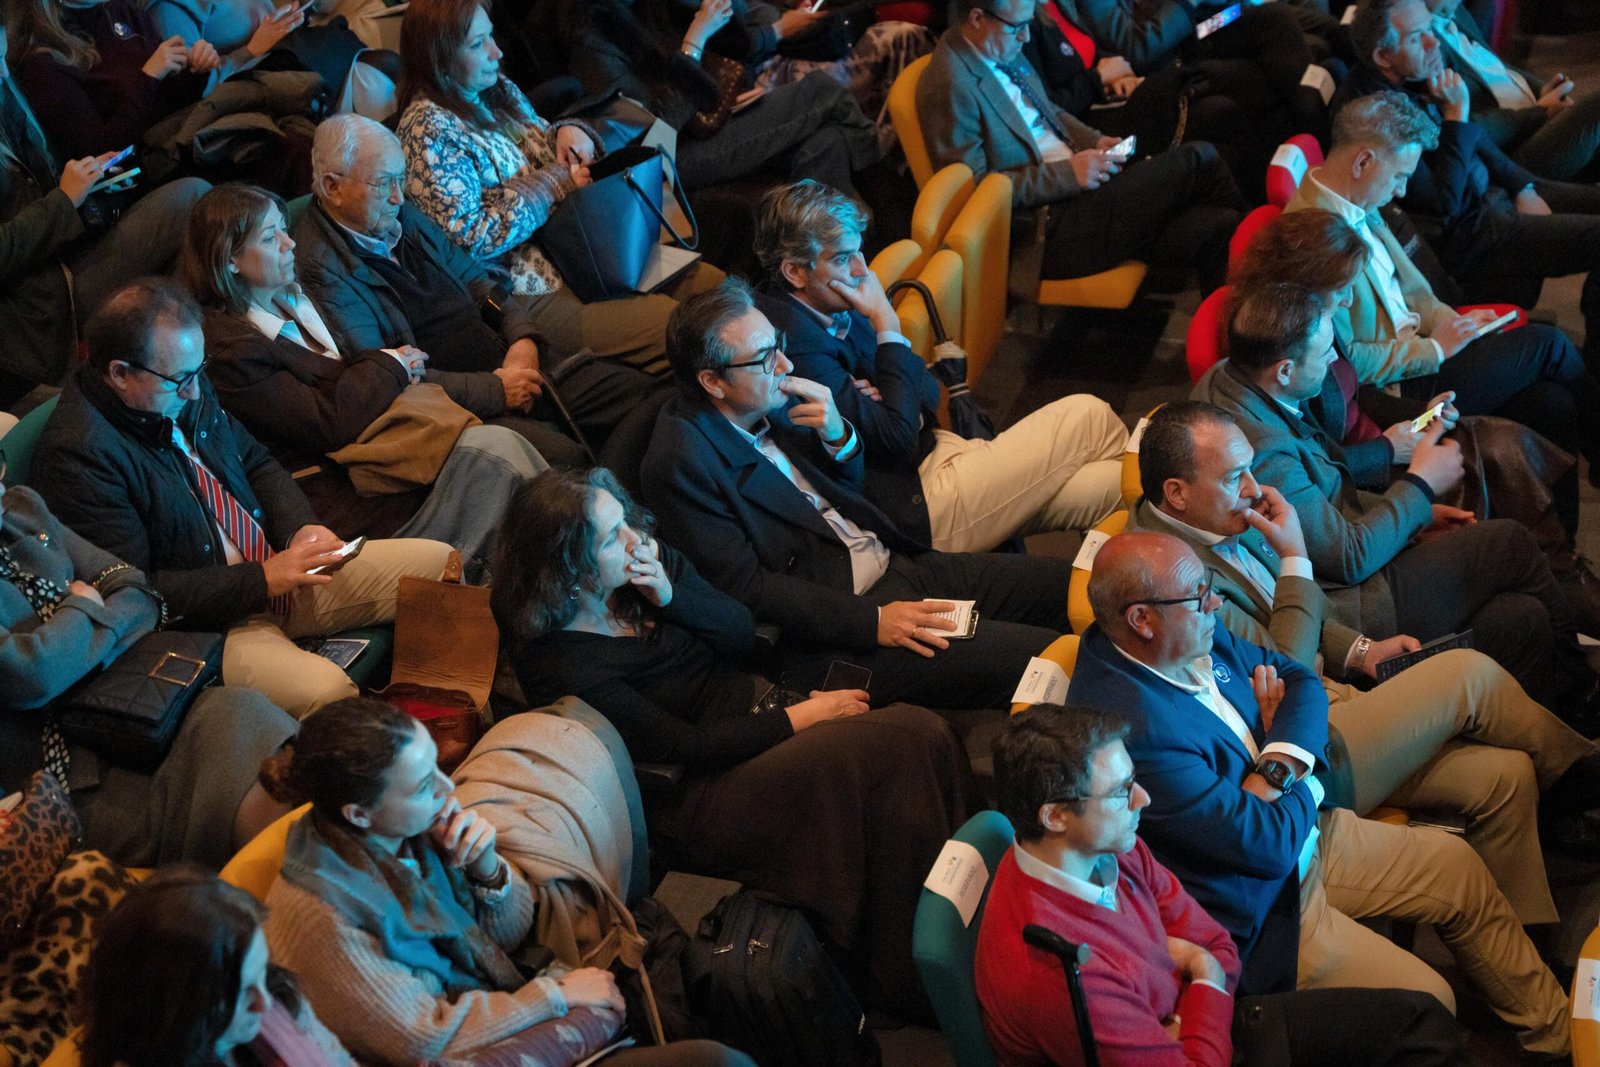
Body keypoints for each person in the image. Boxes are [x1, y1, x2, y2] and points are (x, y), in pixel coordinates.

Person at [1067, 531, 1570, 1057]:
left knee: (1459, 868)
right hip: (1270, 909)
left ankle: (1560, 1036)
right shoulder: (1135, 732)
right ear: (1140, 619)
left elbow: (1298, 679)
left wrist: (1276, 764)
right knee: (1431, 1003)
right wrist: (1300, 770)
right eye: (1200, 596)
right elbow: (1265, 847)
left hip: (1309, 832)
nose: (1214, 601)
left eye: (1209, 586)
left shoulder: (1185, 629)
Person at [493, 467, 970, 1021]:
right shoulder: (560, 660)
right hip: (700, 787)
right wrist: (805, 715)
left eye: (624, 520)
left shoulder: (642, 568)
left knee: (926, 737)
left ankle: (956, 915)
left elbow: (743, 633)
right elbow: (686, 745)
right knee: (899, 744)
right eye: (609, 536)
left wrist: (671, 596)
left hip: (756, 709)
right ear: (568, 569)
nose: (632, 539)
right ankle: (911, 974)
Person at [1128, 401, 1600, 861]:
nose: (1254, 488)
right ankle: (1581, 772)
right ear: (1177, 493)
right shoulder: (1175, 581)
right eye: (1236, 478)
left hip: (1327, 686)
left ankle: (1532, 915)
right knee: (1470, 671)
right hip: (1297, 744)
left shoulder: (1214, 513)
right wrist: (1296, 558)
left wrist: (1360, 650)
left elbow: (1287, 614)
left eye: (1250, 469)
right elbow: (1284, 671)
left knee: (1510, 763)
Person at [28, 278, 465, 718]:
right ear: (119, 373)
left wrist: (300, 527)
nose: (196, 392)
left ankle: (443, 720)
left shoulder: (180, 381)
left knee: (439, 566)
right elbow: (137, 593)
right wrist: (261, 579)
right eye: (181, 380)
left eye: (199, 371)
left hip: (273, 570)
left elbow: (254, 459)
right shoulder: (79, 455)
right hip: (210, 626)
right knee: (325, 690)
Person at [641, 279, 1073, 710]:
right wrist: (874, 621)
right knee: (1045, 659)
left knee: (1075, 588)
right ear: (713, 382)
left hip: (897, 564)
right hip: (843, 624)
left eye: (780, 345)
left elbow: (849, 490)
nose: (787, 365)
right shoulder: (682, 462)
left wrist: (838, 436)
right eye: (765, 357)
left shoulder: (769, 396)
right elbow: (748, 589)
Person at [259, 696, 754, 1066]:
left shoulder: (406, 835)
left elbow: (511, 935)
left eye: (437, 766)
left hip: (491, 1010)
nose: (448, 787)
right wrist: (557, 997)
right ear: (359, 813)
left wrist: (488, 869)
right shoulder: (324, 915)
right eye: (422, 784)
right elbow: (425, 1039)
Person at [976, 703, 1465, 1066]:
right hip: (1215, 1028)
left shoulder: (1109, 844)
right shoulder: (1054, 971)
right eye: (1122, 791)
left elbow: (1216, 944)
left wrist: (1195, 990)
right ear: (1056, 815)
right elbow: (1209, 962)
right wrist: (1203, 974)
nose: (1142, 798)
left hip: (1210, 1023)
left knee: (1422, 1024)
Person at [1194, 282, 1598, 717]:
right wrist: (1421, 485)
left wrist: (1416, 518)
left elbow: (1328, 496)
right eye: (1325, 352)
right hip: (1349, 605)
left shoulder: (1236, 378)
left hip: (1351, 576)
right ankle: (1585, 694)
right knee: (1510, 543)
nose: (1334, 361)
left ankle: (1562, 723)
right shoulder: (1261, 446)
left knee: (1522, 618)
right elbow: (1345, 556)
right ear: (1286, 370)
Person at [752, 180, 1129, 553]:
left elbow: (929, 390)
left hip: (939, 456)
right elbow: (898, 437)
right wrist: (888, 326)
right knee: (1090, 414)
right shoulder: (794, 345)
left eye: (859, 252)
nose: (861, 269)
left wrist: (891, 397)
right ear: (795, 272)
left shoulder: (836, 301)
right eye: (840, 258)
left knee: (1118, 487)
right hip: (921, 505)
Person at [180, 180, 564, 535]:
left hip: (407, 432)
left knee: (526, 455)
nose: (289, 243)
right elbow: (328, 421)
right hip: (354, 485)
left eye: (284, 227)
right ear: (229, 260)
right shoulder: (231, 350)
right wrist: (392, 364)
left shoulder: (298, 292)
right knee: (514, 460)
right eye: (270, 237)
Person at [294, 115, 663, 468]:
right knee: (567, 462)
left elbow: (478, 282)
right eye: (383, 184)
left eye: (400, 179)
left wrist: (521, 337)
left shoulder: (399, 216)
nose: (398, 197)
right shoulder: (320, 265)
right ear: (332, 188)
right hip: (459, 408)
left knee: (644, 397)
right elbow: (386, 372)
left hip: (508, 358)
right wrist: (495, 389)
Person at [395, 0, 725, 378]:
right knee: (685, 330)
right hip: (530, 289)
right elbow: (469, 238)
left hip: (583, 251)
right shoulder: (426, 130)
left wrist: (570, 129)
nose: (496, 51)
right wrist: (555, 182)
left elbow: (538, 146)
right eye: (478, 43)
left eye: (491, 36)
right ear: (439, 57)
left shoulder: (492, 89)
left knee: (717, 291)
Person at [1281, 92, 1600, 475]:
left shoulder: (1360, 200)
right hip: (1399, 387)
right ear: (1364, 161)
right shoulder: (1311, 239)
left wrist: (1457, 326)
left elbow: (1415, 292)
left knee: (1552, 403)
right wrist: (1434, 348)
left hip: (1427, 352)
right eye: (1399, 176)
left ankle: (1553, 533)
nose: (1401, 191)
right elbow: (1350, 364)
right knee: (1549, 344)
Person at [1233, 204, 1590, 546]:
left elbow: (1355, 393)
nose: (1347, 302)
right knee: (1503, 449)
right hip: (1368, 474)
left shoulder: (1316, 322)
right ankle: (1551, 560)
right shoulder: (1292, 352)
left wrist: (1423, 415)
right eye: (1342, 291)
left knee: (1549, 403)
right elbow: (1316, 467)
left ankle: (1563, 552)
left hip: (1386, 439)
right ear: (1305, 287)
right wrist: (1388, 450)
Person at [0, 473, 295, 869]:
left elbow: (137, 589)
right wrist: (85, 605)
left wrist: (71, 643)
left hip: (139, 701)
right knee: (238, 784)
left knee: (251, 718)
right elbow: (31, 674)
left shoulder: (21, 507)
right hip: (67, 772)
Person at [917, 0, 1245, 294]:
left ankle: (1240, 340)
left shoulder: (997, 45)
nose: (1026, 37)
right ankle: (1269, 274)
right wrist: (1067, 175)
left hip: (1081, 192)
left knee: (1219, 224)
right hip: (1046, 229)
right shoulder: (948, 85)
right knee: (1198, 157)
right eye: (1018, 27)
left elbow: (1052, 112)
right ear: (976, 18)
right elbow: (975, 194)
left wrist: (1095, 141)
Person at [1337, 0, 1600, 365]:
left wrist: (1523, 186)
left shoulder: (1410, 73)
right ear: (1383, 56)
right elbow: (1443, 204)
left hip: (1496, 198)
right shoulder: (1375, 118)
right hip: (1477, 234)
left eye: (1431, 30)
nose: (1434, 44)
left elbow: (1479, 145)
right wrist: (1455, 114)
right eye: (1418, 38)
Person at [0, 17, 208, 408]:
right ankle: (162, 365)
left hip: (65, 255)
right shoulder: (38, 65)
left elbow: (41, 183)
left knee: (196, 193)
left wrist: (89, 177)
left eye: (0, 58)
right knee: (192, 197)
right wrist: (64, 201)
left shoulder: (5, 92)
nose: (1, 73)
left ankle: (172, 359)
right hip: (40, 303)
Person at [549, 0, 882, 197]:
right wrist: (696, 37)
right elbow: (651, 135)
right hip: (669, 159)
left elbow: (734, 47)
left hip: (706, 121)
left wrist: (726, 89)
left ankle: (837, 262)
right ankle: (879, 174)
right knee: (821, 90)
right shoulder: (590, 38)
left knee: (827, 142)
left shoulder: (643, 7)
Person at [82, 868, 354, 1066]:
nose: (264, 1002)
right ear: (180, 1012)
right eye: (241, 991)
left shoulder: (276, 992)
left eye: (261, 971)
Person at [7, 0, 215, 161]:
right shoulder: (42, 62)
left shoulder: (123, 10)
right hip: (140, 173)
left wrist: (195, 69)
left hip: (178, 138)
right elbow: (101, 151)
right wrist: (149, 77)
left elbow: (172, 102)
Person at [1426, 0, 1600, 182]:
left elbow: (1497, 68)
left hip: (1532, 114)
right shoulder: (1422, 47)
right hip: (1509, 156)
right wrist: (1539, 112)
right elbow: (1467, 128)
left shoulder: (1454, 10)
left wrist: (1542, 90)